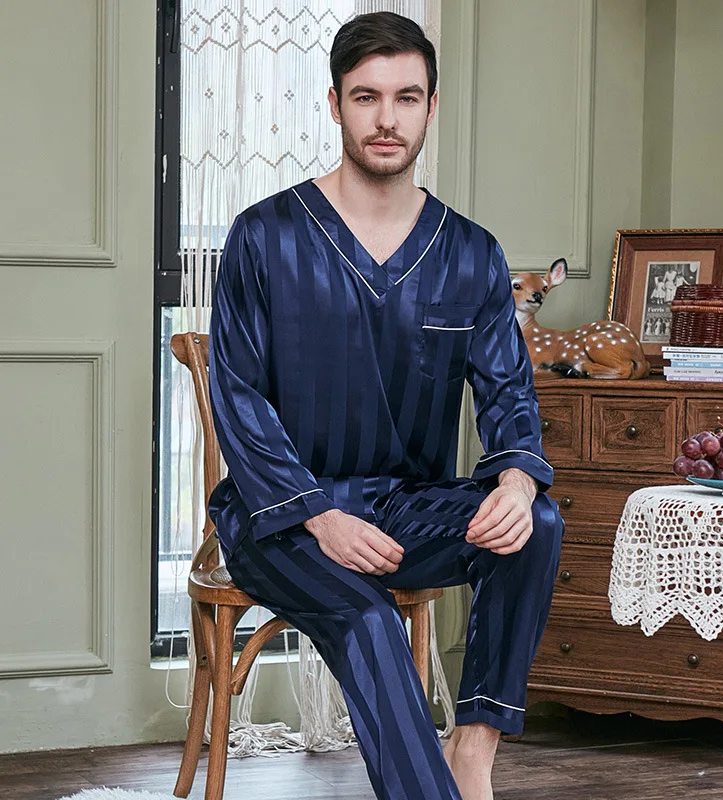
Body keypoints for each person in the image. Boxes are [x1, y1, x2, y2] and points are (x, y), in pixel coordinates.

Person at [208, 11, 563, 800]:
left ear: (432, 107)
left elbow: (508, 391)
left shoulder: (470, 252)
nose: (386, 118)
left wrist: (515, 480)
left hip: (404, 509)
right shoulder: (263, 236)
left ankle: (471, 754)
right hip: (279, 520)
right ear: (335, 104)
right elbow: (236, 398)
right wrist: (318, 516)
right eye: (366, 97)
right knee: (369, 620)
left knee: (535, 523)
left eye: (406, 97)